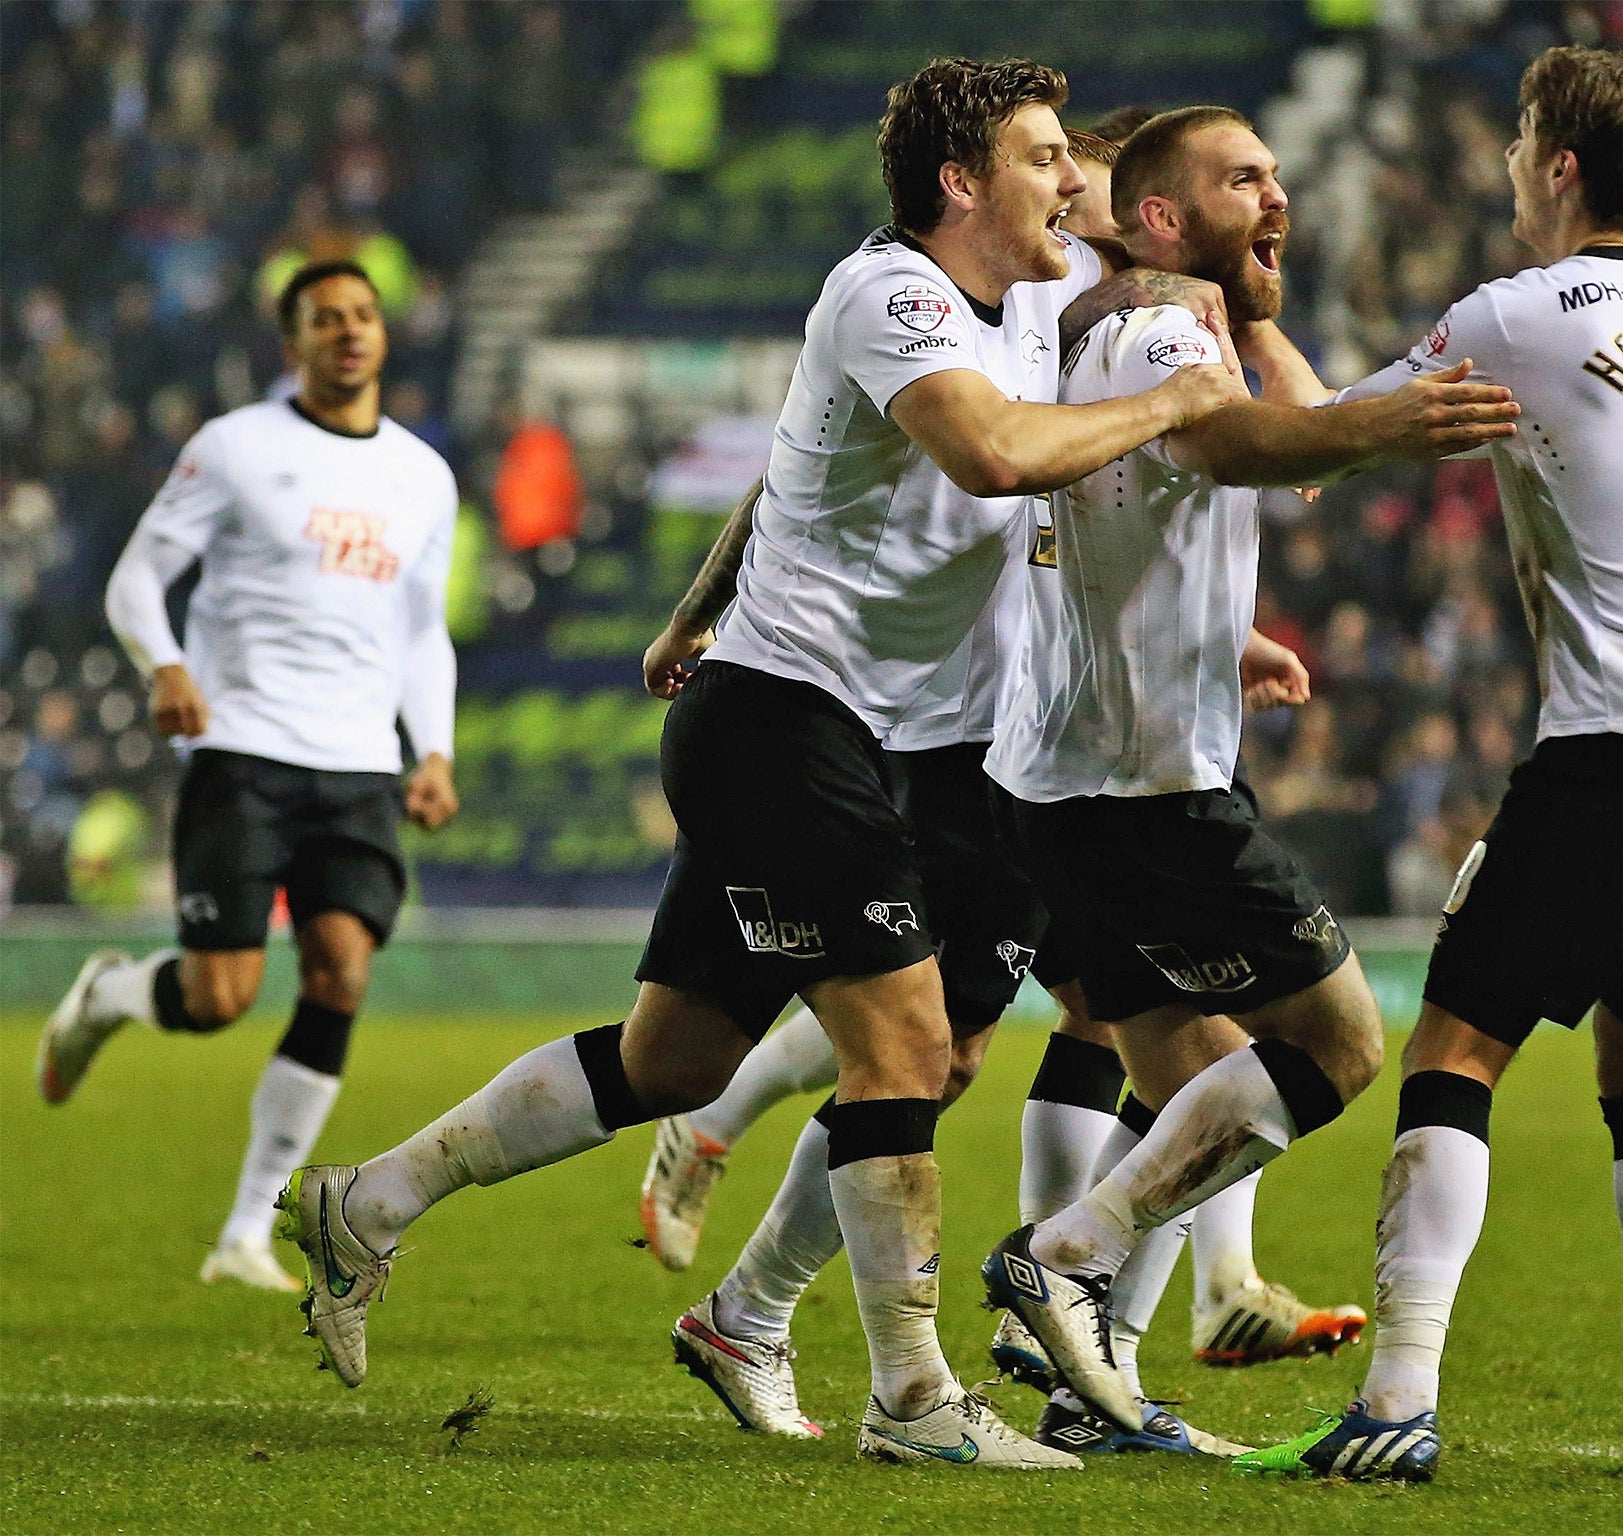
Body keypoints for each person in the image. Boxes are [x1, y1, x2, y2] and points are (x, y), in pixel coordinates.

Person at [272, 57, 1245, 1471]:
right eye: (1041, 160)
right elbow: (988, 456)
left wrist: (691, 603)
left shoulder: (1031, 293)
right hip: (788, 725)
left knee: (679, 1058)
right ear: (960, 184)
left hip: (906, 741)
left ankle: (367, 1200)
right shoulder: (887, 292)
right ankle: (913, 1399)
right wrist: (1181, 403)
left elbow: (789, 465)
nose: (1068, 185)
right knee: (903, 1047)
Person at [1232, 47, 1623, 1484]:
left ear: (1560, 165)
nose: (1504, 161)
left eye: (1518, 138)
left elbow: (1318, 447)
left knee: (1454, 1052)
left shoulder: (1521, 314)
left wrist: (1239, 326)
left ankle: (1398, 1398)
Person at [976, 105, 1522, 1439]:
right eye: (1242, 180)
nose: (1276, 194)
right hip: (1148, 795)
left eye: (1279, 174)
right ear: (1161, 217)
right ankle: (1064, 1258)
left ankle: (1084, 1389)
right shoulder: (1164, 332)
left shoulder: (1106, 324)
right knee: (1335, 1044)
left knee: (1187, 1084)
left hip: (1059, 783)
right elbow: (1234, 447)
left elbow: (1225, 462)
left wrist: (1236, 638)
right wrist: (1392, 425)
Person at [37, 259, 459, 1293]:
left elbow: (421, 629)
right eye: (326, 320)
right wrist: (167, 665)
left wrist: (434, 747)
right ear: (293, 345)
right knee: (220, 993)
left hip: (359, 764)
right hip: (245, 750)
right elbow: (138, 577)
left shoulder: (422, 476)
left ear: (381, 334)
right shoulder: (234, 449)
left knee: (340, 973)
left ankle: (243, 1232)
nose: (349, 333)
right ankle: (113, 993)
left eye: (363, 315)